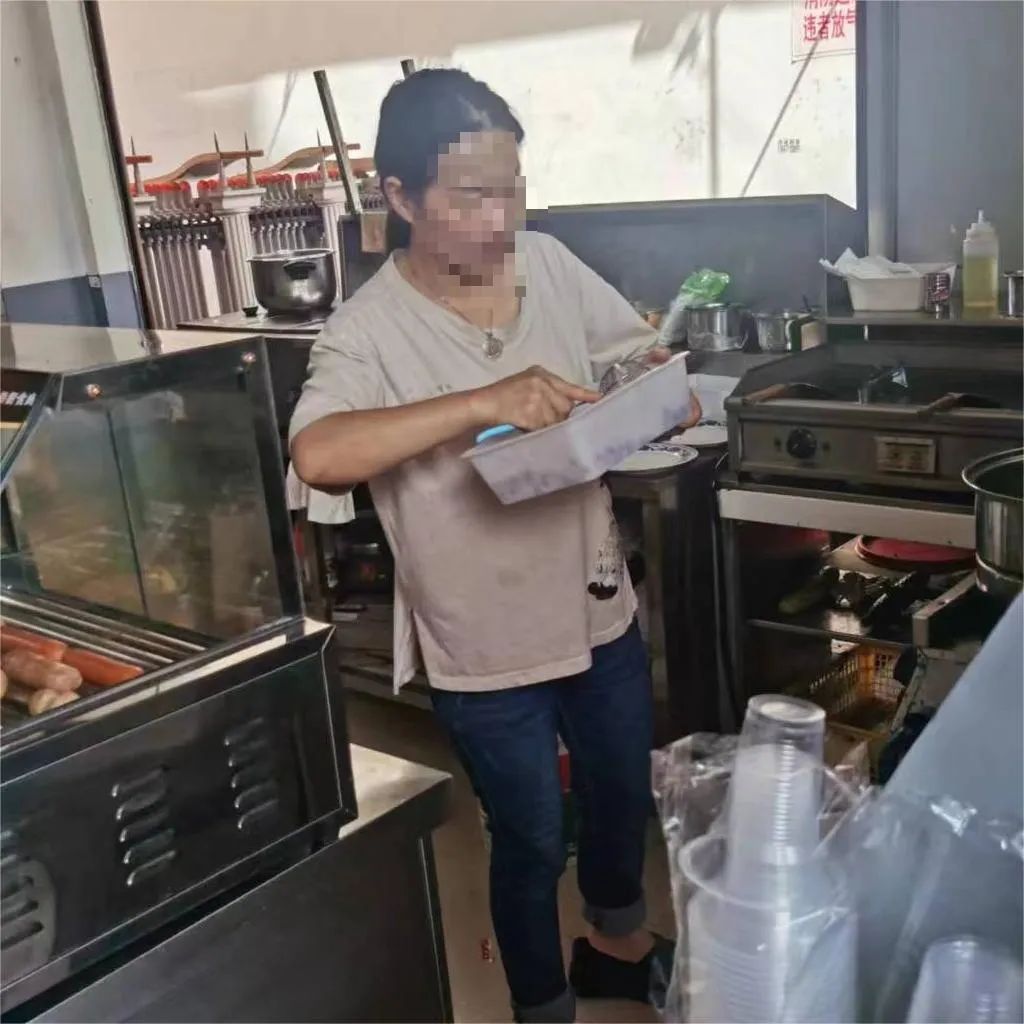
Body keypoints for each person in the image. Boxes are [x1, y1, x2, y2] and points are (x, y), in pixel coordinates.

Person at [290, 68, 700, 1023]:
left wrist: (650, 383)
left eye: (513, 188)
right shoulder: (367, 330)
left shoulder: (547, 264)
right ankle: (541, 1004)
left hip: (595, 608)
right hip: (483, 645)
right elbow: (320, 454)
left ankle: (616, 945)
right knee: (529, 838)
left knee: (618, 798)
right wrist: (483, 401)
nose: (502, 216)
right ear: (400, 197)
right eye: (473, 195)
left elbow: (627, 350)